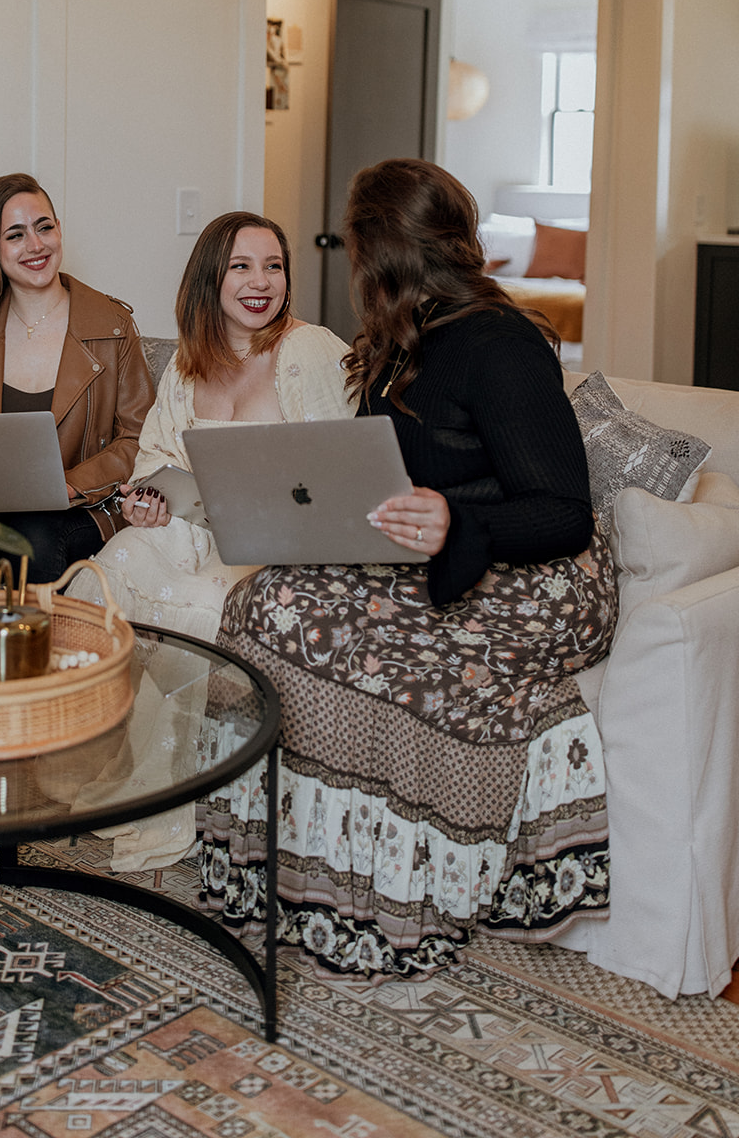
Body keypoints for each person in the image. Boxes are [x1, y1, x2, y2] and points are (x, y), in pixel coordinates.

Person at [199, 158, 618, 977]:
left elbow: (564, 511)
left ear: (379, 253)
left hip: (539, 575)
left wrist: (459, 518)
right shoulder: (399, 342)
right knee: (262, 604)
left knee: (359, 646)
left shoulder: (501, 347)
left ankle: (386, 893)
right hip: (430, 549)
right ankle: (282, 875)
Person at [73, 210, 355, 643]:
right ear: (209, 280)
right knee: (117, 560)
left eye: (273, 266)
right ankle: (90, 705)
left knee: (208, 599)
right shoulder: (188, 363)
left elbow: (345, 469)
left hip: (279, 545)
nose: (261, 282)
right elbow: (157, 457)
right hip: (195, 532)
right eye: (240, 266)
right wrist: (147, 502)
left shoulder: (309, 349)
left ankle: (194, 712)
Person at [0, 173, 154, 584]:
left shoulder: (113, 326)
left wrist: (69, 485)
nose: (36, 245)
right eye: (15, 235)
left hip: (84, 510)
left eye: (44, 227)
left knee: (28, 536)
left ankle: (30, 647)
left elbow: (139, 439)